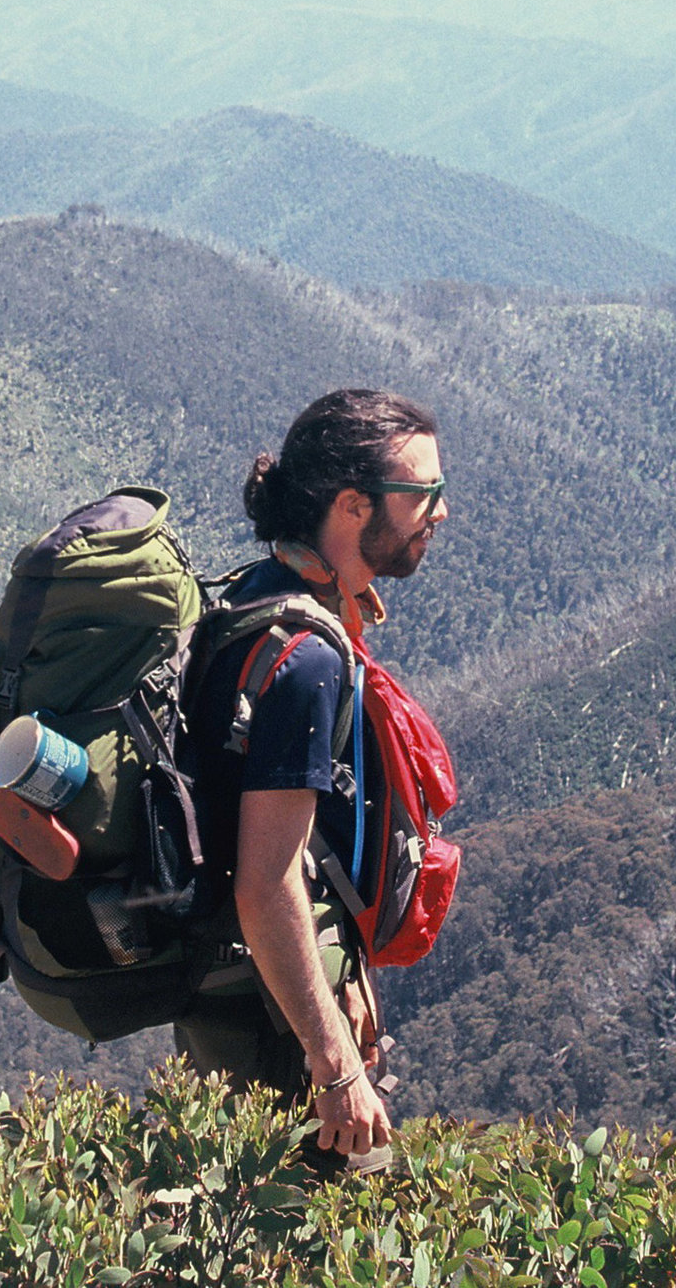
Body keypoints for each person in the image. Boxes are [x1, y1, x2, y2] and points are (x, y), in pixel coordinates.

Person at [178, 387, 448, 1170]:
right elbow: (265, 884)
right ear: (355, 505)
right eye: (423, 493)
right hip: (277, 1038)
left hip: (236, 1006)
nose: (440, 511)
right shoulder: (307, 659)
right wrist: (337, 1069)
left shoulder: (254, 596)